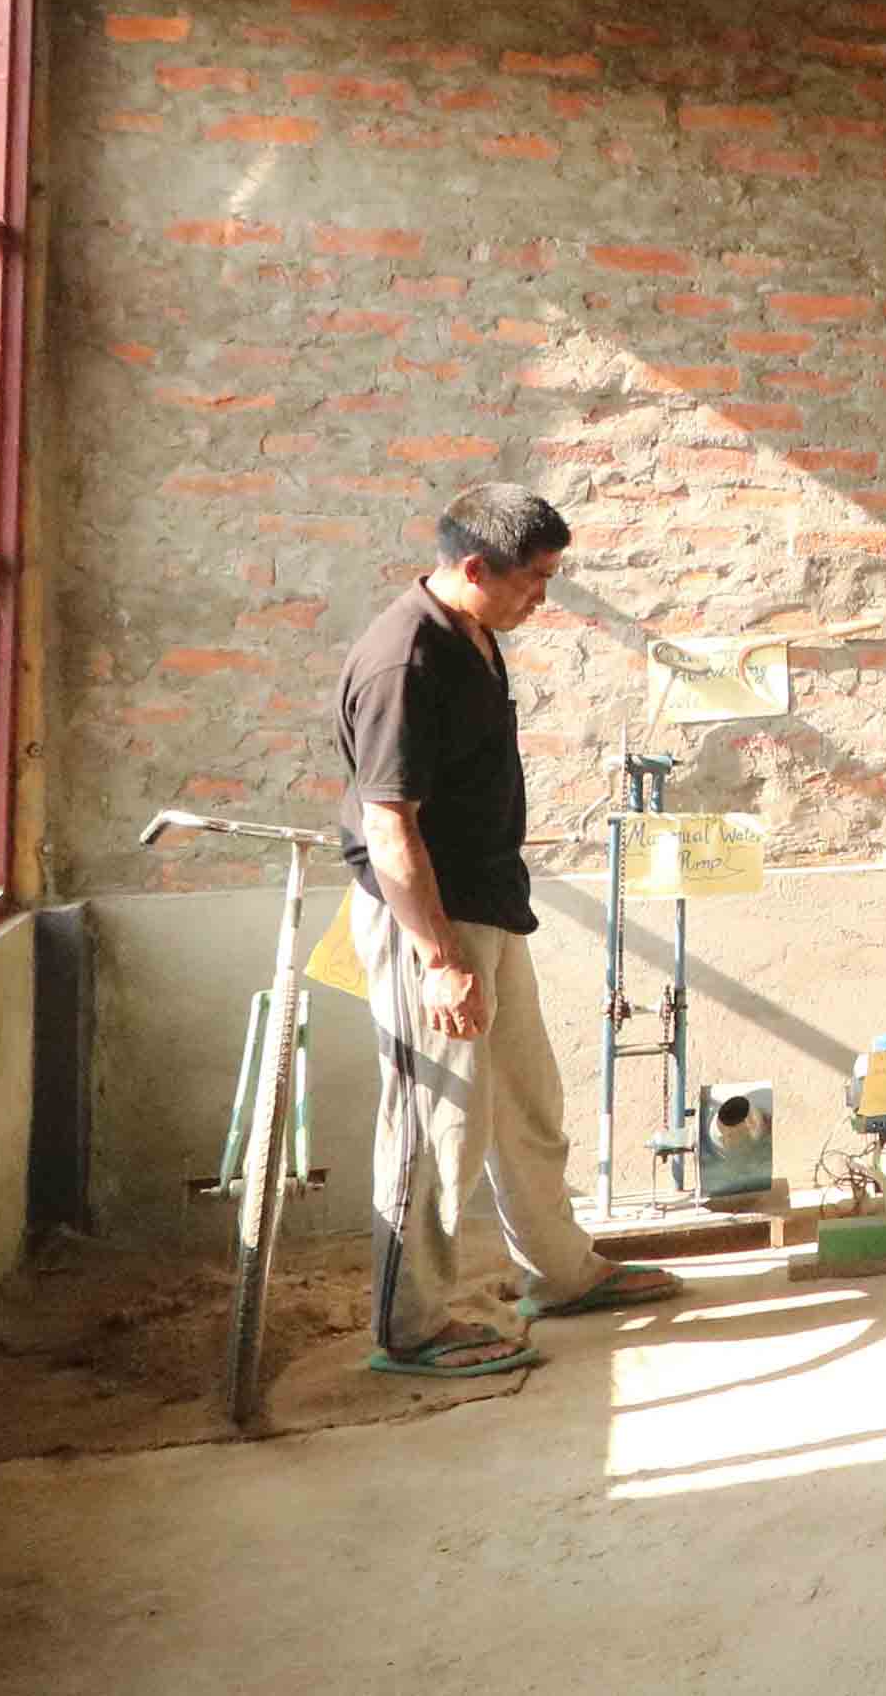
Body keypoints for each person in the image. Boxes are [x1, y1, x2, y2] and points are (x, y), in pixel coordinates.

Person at [336, 482, 683, 1377]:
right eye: (533, 580)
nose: (542, 597)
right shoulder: (404, 662)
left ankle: (561, 1273)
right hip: (429, 923)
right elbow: (388, 824)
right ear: (474, 567)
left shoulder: (475, 635)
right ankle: (410, 1327)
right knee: (435, 1129)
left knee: (528, 1105)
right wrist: (439, 960)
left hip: (486, 905)